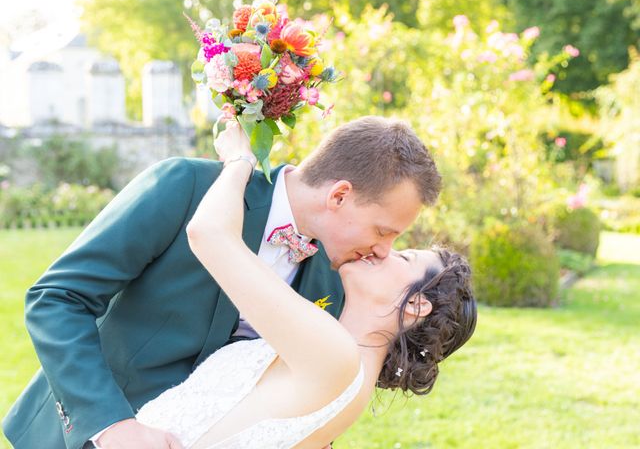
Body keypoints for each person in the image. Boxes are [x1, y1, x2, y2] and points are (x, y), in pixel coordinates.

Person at [3, 116, 442, 449]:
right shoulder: (187, 186)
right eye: (383, 232)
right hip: (76, 434)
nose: (382, 250)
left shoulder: (339, 281)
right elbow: (57, 298)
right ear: (339, 195)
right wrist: (110, 424)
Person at [132, 119, 477, 448]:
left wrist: (239, 160)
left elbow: (209, 234)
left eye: (403, 257)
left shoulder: (337, 356)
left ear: (416, 304)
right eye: (388, 238)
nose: (383, 251)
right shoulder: (345, 374)